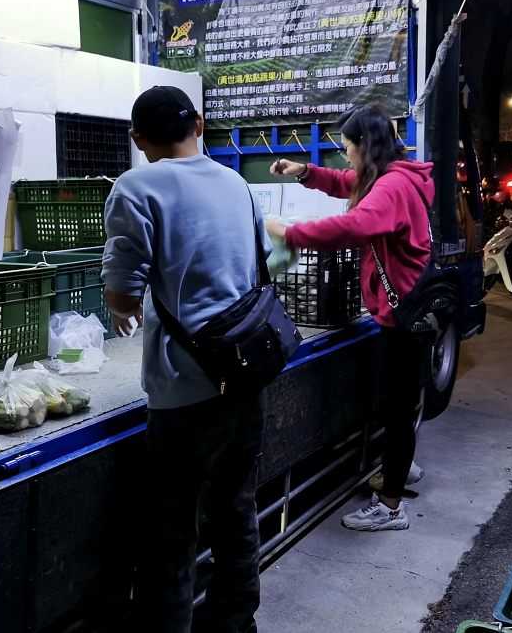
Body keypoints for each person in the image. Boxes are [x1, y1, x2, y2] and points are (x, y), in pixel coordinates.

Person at [102, 86, 271, 633]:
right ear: (198, 124)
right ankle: (235, 623)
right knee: (236, 514)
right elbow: (257, 266)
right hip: (244, 375)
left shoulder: (135, 187)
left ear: (138, 137)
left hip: (184, 393)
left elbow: (123, 294)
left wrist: (128, 305)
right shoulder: (240, 185)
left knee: (172, 535)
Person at [266, 104, 434, 532]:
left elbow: (355, 225)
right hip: (409, 308)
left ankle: (392, 505)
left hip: (403, 313)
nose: (346, 157)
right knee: (395, 401)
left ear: (366, 146)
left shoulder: (392, 187)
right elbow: (347, 183)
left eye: (347, 148)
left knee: (394, 409)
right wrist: (304, 171)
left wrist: (290, 233)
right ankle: (403, 467)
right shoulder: (392, 175)